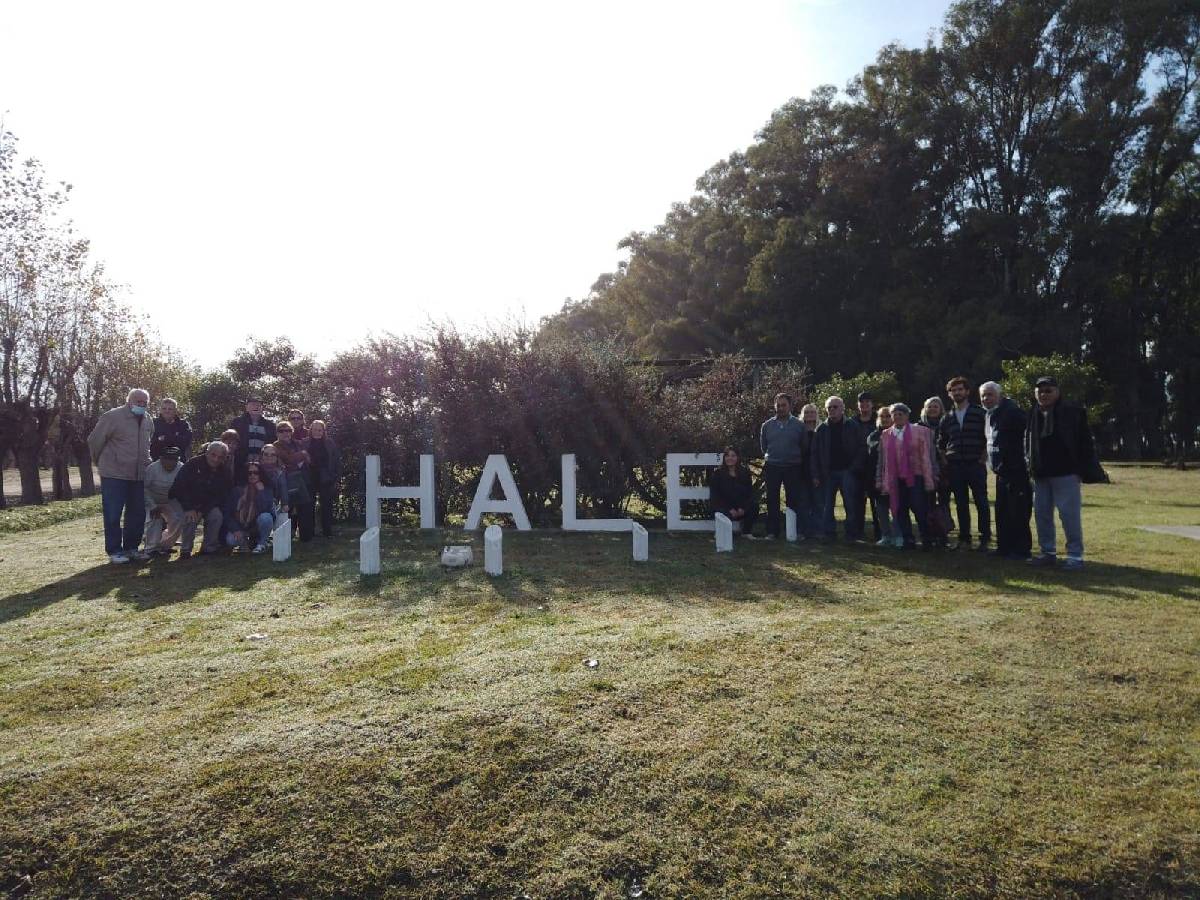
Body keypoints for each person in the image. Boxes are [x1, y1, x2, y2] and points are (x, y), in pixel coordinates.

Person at [1025, 376, 1099, 570]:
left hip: (1066, 472)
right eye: (1040, 391)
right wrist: (1029, 464)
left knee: (1069, 515)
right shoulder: (1033, 412)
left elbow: (1085, 443)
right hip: (1040, 473)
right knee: (1042, 514)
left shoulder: (1073, 412)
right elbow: (1028, 442)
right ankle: (1047, 552)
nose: (1043, 394)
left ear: (1057, 392)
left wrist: (1082, 469)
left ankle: (1075, 556)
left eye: (1048, 391)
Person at [87, 388, 154, 563]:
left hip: (139, 474)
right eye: (138, 401)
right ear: (128, 400)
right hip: (114, 474)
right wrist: (102, 462)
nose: (141, 404)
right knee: (113, 514)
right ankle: (115, 551)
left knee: (137, 513)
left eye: (145, 402)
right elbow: (94, 441)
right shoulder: (112, 417)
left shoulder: (148, 419)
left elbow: (147, 444)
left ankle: (132, 548)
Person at [980, 381, 1032, 560]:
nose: (986, 399)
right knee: (1002, 511)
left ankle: (1021, 550)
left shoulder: (1012, 412)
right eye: (983, 396)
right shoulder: (991, 414)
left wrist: (1018, 464)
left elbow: (1023, 440)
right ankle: (1004, 548)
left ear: (1000, 396)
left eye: (990, 395)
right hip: (1001, 472)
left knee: (1018, 511)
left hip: (1016, 470)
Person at [938, 376, 991, 551]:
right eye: (954, 390)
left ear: (967, 392)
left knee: (981, 502)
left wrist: (983, 457)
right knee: (961, 503)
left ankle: (985, 539)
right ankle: (964, 539)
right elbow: (941, 443)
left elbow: (988, 437)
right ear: (949, 394)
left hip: (975, 464)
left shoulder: (980, 413)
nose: (957, 392)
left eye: (960, 389)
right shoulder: (947, 417)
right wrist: (946, 460)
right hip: (955, 466)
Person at [877, 403, 935, 550]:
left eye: (900, 414)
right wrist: (881, 479)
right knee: (900, 509)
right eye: (894, 414)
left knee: (919, 507)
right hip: (895, 478)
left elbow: (927, 456)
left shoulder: (921, 431)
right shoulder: (885, 434)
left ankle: (927, 538)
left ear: (907, 415)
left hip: (915, 476)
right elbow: (882, 460)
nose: (897, 417)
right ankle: (908, 539)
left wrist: (931, 477)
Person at [812, 396, 865, 541]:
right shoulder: (821, 429)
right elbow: (815, 454)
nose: (832, 410)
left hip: (848, 471)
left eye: (835, 407)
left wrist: (854, 468)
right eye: (829, 407)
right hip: (828, 473)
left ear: (842, 409)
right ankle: (829, 533)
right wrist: (816, 474)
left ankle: (851, 534)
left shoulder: (853, 426)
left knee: (850, 504)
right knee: (827, 506)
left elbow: (862, 448)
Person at [167, 441, 233, 557]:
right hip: (182, 500)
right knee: (190, 517)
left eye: (220, 457)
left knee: (216, 516)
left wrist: (202, 509)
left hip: (207, 504)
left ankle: (209, 548)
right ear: (207, 452)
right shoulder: (192, 464)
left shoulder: (225, 471)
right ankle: (185, 550)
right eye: (213, 455)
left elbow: (221, 495)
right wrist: (189, 508)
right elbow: (179, 488)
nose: (216, 459)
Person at [759, 393, 805, 540]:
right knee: (772, 499)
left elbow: (803, 446)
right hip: (773, 466)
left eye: (784, 405)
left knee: (793, 499)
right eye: (778, 405)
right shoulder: (767, 426)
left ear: (790, 406)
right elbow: (763, 446)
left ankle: (794, 531)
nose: (781, 408)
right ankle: (772, 532)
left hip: (793, 467)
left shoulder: (799, 425)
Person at [272, 421, 314, 542]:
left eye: (288, 430)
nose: (286, 433)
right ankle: (285, 537)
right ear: (277, 433)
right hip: (287, 481)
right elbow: (289, 460)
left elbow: (308, 460)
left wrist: (299, 458)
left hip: (303, 479)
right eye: (282, 431)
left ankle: (306, 537)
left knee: (304, 507)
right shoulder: (276, 446)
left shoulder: (297, 443)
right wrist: (302, 454)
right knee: (287, 508)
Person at [223, 463, 277, 553]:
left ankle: (262, 543)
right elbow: (228, 513)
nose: (253, 475)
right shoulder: (236, 491)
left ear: (260, 474)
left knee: (266, 517)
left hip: (257, 524)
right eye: (249, 473)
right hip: (241, 525)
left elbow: (266, 509)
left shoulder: (267, 489)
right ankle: (245, 543)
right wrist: (235, 529)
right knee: (230, 540)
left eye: (256, 473)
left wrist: (261, 492)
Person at [850, 391, 883, 541]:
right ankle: (858, 532)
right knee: (858, 503)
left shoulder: (879, 420)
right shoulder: (852, 422)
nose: (864, 405)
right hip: (857, 468)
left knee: (877, 503)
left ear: (872, 404)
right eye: (861, 402)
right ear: (858, 405)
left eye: (867, 402)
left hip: (875, 467)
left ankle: (880, 532)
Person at [918, 397, 950, 549]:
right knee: (927, 503)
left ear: (941, 408)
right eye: (929, 406)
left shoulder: (947, 424)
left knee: (944, 503)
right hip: (924, 469)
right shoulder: (918, 426)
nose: (932, 409)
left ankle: (943, 535)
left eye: (935, 406)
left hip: (944, 468)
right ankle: (929, 535)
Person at [708, 447, 759, 537]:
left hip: (740, 507)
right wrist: (729, 509)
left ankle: (746, 532)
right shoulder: (718, 474)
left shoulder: (745, 473)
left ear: (738, 457)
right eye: (727, 456)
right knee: (721, 511)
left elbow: (749, 493)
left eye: (733, 456)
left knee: (754, 505)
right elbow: (716, 497)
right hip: (723, 506)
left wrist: (742, 508)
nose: (730, 458)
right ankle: (721, 532)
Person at [303, 419, 341, 538]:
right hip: (309, 477)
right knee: (309, 505)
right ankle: (309, 532)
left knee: (327, 505)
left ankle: (327, 532)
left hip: (326, 477)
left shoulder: (330, 443)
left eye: (320, 430)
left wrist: (336, 477)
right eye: (315, 430)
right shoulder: (304, 443)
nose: (317, 432)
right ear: (311, 430)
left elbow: (336, 461)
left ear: (323, 431)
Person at [865, 406, 896, 547]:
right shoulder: (873, 436)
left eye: (888, 416)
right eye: (881, 416)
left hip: (896, 477)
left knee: (897, 509)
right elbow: (872, 453)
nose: (884, 419)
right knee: (881, 509)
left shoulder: (900, 433)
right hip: (877, 478)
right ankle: (886, 535)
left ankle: (899, 535)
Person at [143, 446, 182, 555]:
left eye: (174, 459)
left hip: (170, 501)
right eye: (168, 459)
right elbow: (144, 489)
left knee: (178, 518)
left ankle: (165, 545)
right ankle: (151, 548)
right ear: (161, 458)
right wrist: (152, 506)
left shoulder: (181, 468)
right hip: (151, 501)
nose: (170, 462)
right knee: (156, 519)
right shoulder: (152, 469)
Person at [229, 399, 277, 476]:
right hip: (240, 462)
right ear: (246, 408)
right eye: (252, 404)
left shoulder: (270, 425)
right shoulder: (237, 422)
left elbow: (273, 443)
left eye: (258, 405)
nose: (256, 407)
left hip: (262, 464)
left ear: (262, 408)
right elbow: (230, 440)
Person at [796, 403, 822, 538]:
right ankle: (803, 530)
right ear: (803, 415)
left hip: (817, 471)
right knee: (803, 503)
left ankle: (817, 530)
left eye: (812, 412)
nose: (810, 415)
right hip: (801, 471)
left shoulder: (821, 429)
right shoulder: (799, 430)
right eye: (807, 412)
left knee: (818, 502)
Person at [150, 398, 193, 462]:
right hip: (156, 461)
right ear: (160, 410)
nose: (167, 411)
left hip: (178, 462)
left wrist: (165, 438)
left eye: (170, 409)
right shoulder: (153, 423)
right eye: (164, 408)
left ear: (175, 410)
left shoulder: (183, 424)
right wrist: (175, 438)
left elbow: (186, 441)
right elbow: (151, 443)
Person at [257, 443, 290, 524]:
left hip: (271, 503)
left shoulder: (280, 471)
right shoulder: (254, 469)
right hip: (255, 502)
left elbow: (283, 487)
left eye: (273, 455)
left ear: (277, 457)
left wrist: (285, 503)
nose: (269, 457)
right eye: (266, 454)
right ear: (261, 455)